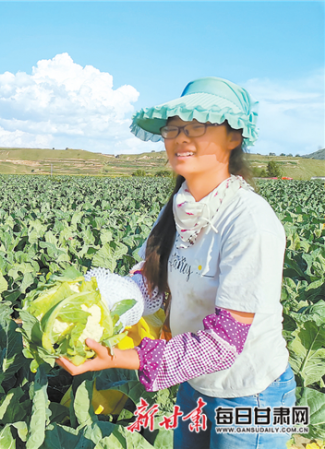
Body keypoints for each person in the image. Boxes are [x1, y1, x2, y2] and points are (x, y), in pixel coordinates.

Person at [57, 77, 295, 448]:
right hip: (195, 380)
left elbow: (225, 342)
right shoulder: (179, 207)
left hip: (253, 392)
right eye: (174, 128)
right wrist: (89, 308)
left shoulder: (250, 221)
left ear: (234, 137)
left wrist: (120, 356)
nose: (181, 138)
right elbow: (151, 283)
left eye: (197, 126)